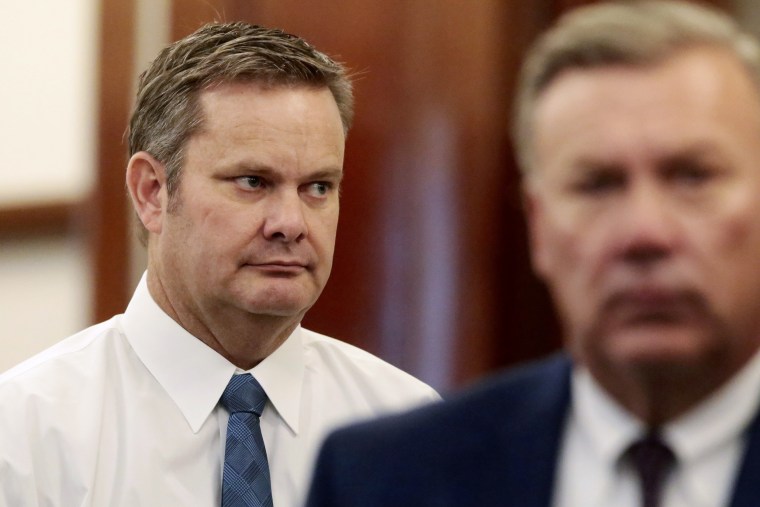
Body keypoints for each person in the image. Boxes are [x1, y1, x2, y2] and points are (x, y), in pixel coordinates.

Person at [305, 1, 760, 506]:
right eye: (597, 185)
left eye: (692, 176)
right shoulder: (382, 478)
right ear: (539, 226)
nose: (645, 233)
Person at [0, 22, 438, 507]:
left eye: (318, 187)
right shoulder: (24, 435)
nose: (291, 223)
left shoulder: (407, 424)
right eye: (253, 181)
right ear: (152, 192)